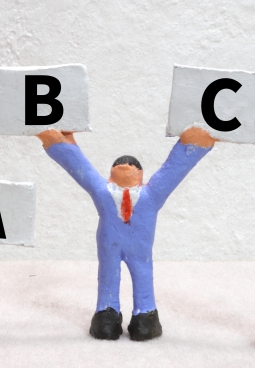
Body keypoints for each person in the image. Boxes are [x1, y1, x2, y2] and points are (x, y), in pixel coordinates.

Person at [36, 126, 217, 341]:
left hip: (139, 249)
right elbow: (79, 168)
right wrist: (58, 143)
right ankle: (106, 315)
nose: (126, 170)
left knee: (142, 276)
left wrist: (194, 143)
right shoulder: (104, 192)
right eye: (120, 169)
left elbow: (173, 172)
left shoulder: (151, 195)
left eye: (131, 169)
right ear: (111, 176)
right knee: (108, 277)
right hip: (109, 246)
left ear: (140, 175)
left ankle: (145, 317)